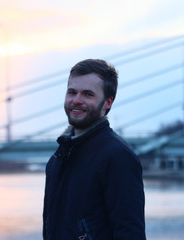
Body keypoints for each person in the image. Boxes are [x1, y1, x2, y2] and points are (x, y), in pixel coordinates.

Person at [42, 59, 146, 240]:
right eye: (72, 92)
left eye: (88, 94)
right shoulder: (58, 158)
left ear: (107, 103)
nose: (76, 100)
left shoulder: (117, 157)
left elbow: (130, 233)